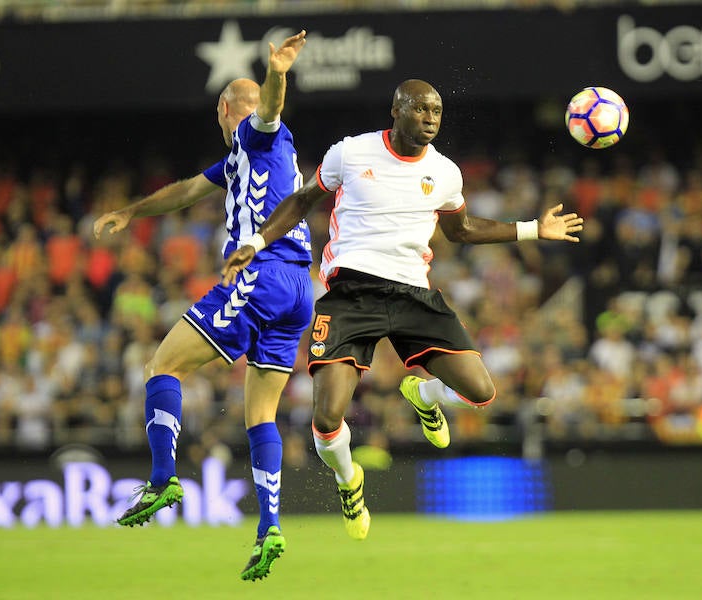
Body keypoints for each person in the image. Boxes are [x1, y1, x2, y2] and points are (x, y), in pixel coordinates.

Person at [220, 79, 584, 540]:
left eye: (437, 111)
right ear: (397, 110)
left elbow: (462, 230)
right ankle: (349, 480)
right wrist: (256, 241)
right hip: (350, 294)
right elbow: (300, 201)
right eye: (422, 109)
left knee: (482, 392)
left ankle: (426, 395)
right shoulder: (350, 153)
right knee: (327, 418)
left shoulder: (446, 173)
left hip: (413, 294)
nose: (431, 118)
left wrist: (533, 229)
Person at [93, 30, 311, 581]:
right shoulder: (241, 158)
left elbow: (269, 109)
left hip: (260, 276)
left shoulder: (260, 135)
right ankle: (270, 527)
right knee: (259, 413)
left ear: (224, 110)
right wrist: (132, 212)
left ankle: (163, 477)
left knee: (160, 365)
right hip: (298, 291)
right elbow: (187, 190)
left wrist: (278, 71)